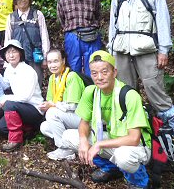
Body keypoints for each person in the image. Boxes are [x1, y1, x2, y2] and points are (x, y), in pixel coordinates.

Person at [100, 0, 174, 159]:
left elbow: (163, 21)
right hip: (121, 50)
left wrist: (163, 49)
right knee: (125, 93)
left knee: (154, 89)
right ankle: (132, 139)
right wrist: (110, 51)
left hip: (147, 49)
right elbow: (113, 25)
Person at [60, 51, 152, 189]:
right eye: (94, 73)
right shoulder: (91, 92)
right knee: (69, 137)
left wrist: (99, 144)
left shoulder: (129, 95)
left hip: (136, 146)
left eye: (104, 72)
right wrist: (84, 141)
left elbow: (134, 139)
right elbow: (84, 123)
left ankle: (139, 181)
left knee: (123, 156)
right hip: (112, 139)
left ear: (114, 72)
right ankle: (111, 168)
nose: (99, 77)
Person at [0, 40, 44, 152]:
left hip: (34, 109)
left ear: (20, 54)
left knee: (9, 105)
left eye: (14, 51)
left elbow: (25, 97)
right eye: (8, 52)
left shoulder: (28, 71)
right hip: (20, 108)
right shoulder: (9, 70)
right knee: (2, 127)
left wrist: (7, 98)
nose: (11, 55)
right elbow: (5, 84)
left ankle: (15, 140)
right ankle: (28, 130)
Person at [39, 49, 85, 160]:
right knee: (44, 127)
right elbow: (51, 101)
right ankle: (72, 146)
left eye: (56, 61)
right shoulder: (52, 78)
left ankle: (65, 149)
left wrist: (52, 106)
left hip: (81, 117)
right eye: (50, 62)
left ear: (63, 61)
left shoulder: (72, 76)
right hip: (67, 117)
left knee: (52, 113)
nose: (52, 65)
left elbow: (73, 106)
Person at [57, 0, 102, 76]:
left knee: (93, 68)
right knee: (73, 69)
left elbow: (98, 16)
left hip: (92, 36)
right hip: (72, 37)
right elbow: (61, 20)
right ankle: (75, 92)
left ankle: (92, 91)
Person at [5, 0, 50, 87]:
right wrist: (7, 59)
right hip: (17, 58)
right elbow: (7, 39)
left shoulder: (37, 14)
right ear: (15, 1)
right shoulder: (11, 17)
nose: (22, 0)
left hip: (35, 55)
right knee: (19, 85)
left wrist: (45, 56)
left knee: (36, 83)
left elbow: (44, 36)